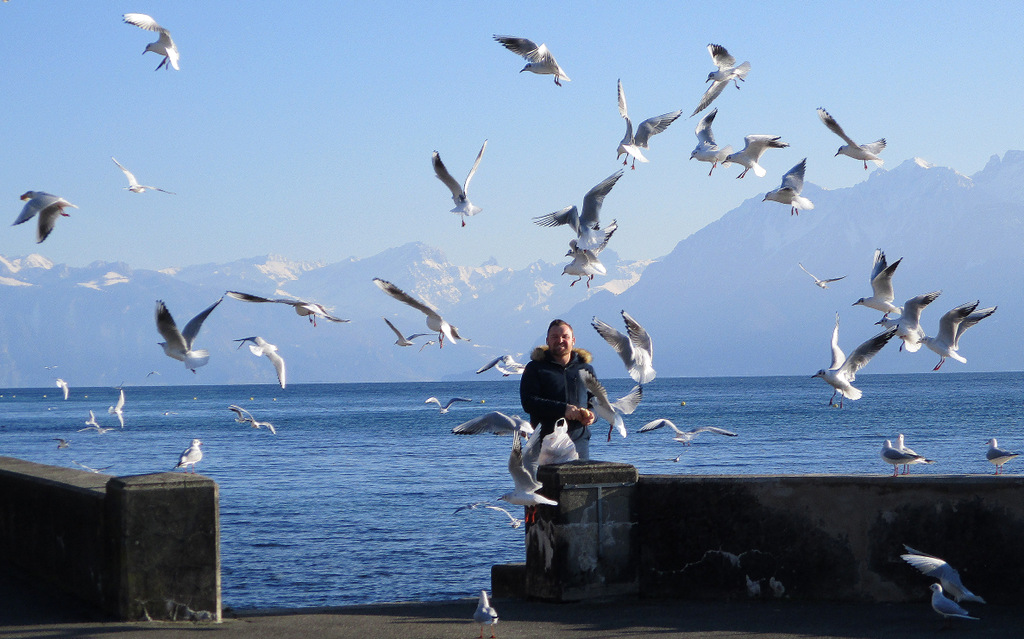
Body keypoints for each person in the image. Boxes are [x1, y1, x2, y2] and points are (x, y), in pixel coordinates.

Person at [519, 319, 597, 467]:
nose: (560, 340)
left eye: (565, 337)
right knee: (546, 490)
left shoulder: (585, 369)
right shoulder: (535, 368)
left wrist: (593, 415)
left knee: (579, 489)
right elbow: (528, 402)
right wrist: (563, 409)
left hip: (579, 444)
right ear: (547, 340)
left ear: (573, 340)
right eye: (554, 337)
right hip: (545, 445)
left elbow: (597, 401)